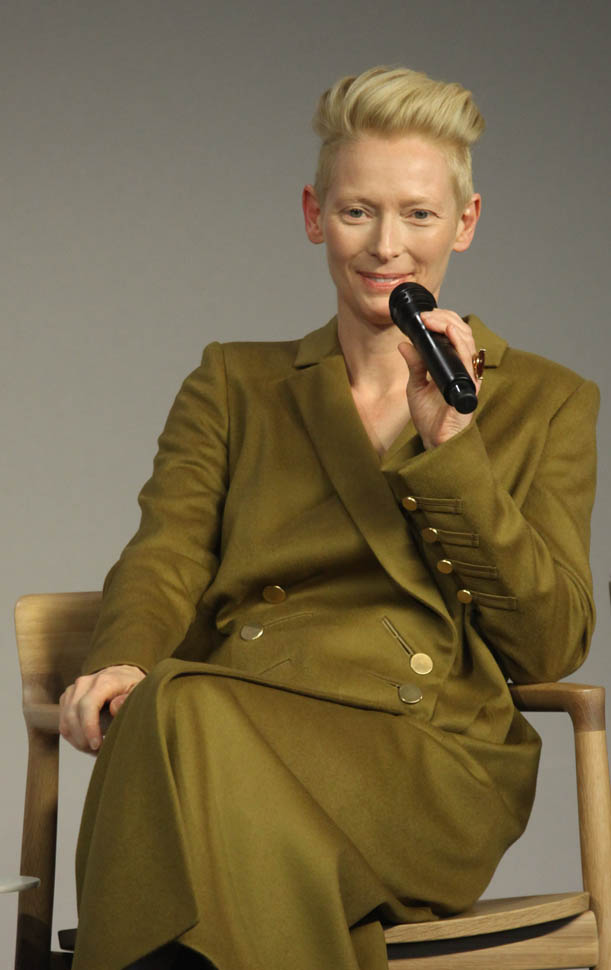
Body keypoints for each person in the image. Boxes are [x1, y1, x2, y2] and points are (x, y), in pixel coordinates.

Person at [59, 65, 598, 970]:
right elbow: (166, 552)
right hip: (238, 731)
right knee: (182, 723)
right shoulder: (236, 382)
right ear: (315, 216)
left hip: (428, 763)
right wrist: (121, 658)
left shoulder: (545, 400)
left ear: (463, 223)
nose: (386, 246)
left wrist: (450, 447)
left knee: (179, 722)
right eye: (357, 211)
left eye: (418, 214)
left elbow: (549, 643)